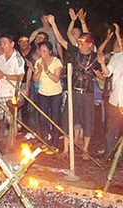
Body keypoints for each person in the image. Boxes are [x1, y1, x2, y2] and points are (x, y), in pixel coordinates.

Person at [48, 14, 100, 160]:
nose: (80, 45)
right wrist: (53, 23)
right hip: (73, 92)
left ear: (90, 44)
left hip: (88, 93)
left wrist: (101, 70)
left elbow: (103, 76)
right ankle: (66, 149)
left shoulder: (96, 57)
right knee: (67, 119)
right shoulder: (75, 52)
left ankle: (85, 150)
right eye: (79, 42)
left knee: (88, 120)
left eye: (83, 43)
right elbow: (61, 40)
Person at [0, 34, 25, 142]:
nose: (2, 46)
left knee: (11, 120)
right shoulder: (0, 58)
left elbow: (20, 77)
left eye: (5, 43)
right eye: (1, 43)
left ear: (12, 44)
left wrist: (4, 76)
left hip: (11, 94)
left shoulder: (17, 59)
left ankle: (12, 142)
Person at [98, 23, 123, 158]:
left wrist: (118, 33)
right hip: (115, 100)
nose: (118, 45)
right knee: (111, 129)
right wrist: (102, 63)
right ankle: (109, 155)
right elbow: (107, 73)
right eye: (117, 43)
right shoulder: (115, 57)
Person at [32, 41, 63, 147]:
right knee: (42, 117)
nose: (42, 53)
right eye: (41, 51)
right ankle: (44, 139)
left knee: (55, 117)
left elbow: (56, 79)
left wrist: (47, 71)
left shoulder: (56, 61)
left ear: (50, 51)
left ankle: (55, 142)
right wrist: (40, 71)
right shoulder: (38, 62)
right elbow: (35, 79)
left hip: (55, 94)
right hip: (43, 93)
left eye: (44, 51)